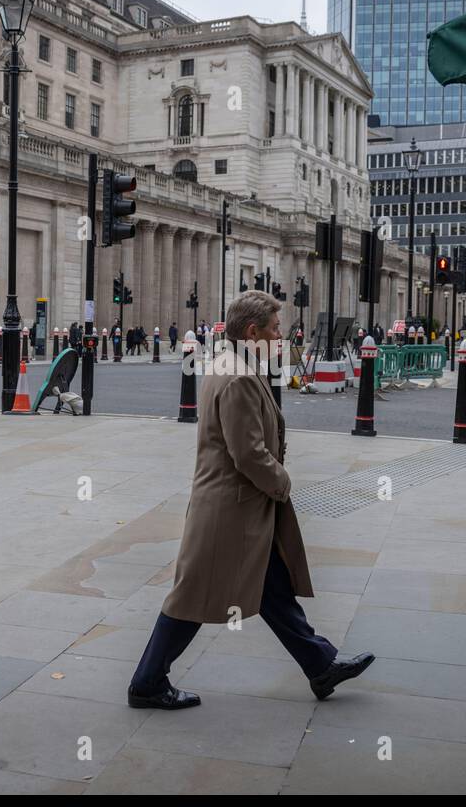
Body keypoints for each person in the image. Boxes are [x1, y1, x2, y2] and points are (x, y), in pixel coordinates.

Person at [127, 290, 374, 710]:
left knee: (272, 588)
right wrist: (282, 483)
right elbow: (248, 453)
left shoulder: (233, 364)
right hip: (231, 509)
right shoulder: (239, 375)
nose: (281, 336)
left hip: (237, 506)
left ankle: (321, 665)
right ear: (253, 331)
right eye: (276, 329)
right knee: (191, 598)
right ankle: (147, 682)